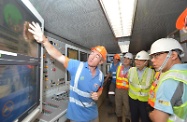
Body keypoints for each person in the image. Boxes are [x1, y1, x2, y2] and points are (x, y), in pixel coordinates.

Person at [28, 22, 107, 122]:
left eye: (97, 56)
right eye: (92, 53)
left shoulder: (100, 75)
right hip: (77, 117)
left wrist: (99, 94)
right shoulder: (77, 66)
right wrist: (44, 41)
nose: (92, 57)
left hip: (93, 116)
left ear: (100, 62)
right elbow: (59, 56)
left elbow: (101, 87)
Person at [148, 38, 187, 122]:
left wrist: (150, 114)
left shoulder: (170, 81)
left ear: (173, 55)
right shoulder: (184, 73)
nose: (152, 60)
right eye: (152, 57)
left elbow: (158, 119)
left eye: (157, 55)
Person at [128, 50, 155, 122]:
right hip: (132, 99)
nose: (137, 62)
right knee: (134, 118)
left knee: (145, 119)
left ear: (146, 62)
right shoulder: (131, 70)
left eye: (141, 60)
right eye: (136, 60)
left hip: (145, 101)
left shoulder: (152, 72)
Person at [115, 52, 133, 122]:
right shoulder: (119, 68)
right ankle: (119, 117)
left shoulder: (132, 70)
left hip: (127, 90)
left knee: (127, 106)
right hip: (118, 89)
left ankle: (127, 118)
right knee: (118, 104)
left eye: (128, 59)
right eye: (125, 58)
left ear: (131, 61)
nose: (125, 60)